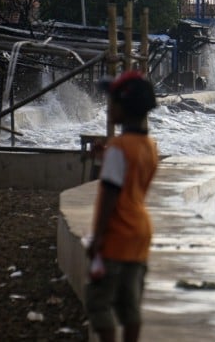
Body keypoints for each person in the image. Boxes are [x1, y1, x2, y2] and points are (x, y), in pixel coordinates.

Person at [86, 71, 159, 342]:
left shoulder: (119, 146)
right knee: (130, 307)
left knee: (98, 302)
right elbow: (132, 173)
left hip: (117, 232)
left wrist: (98, 238)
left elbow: (110, 195)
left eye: (112, 101)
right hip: (140, 232)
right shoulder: (149, 146)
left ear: (123, 107)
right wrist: (107, 155)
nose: (109, 107)